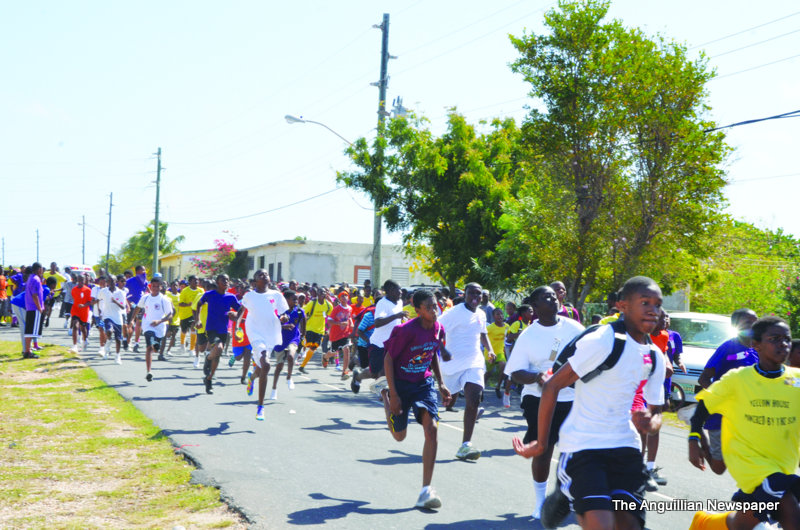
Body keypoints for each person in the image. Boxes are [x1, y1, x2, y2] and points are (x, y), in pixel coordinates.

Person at [513, 276, 666, 530]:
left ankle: (566, 494)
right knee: (601, 523)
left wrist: (651, 422)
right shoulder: (603, 341)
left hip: (626, 447)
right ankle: (564, 493)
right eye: (645, 302)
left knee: (628, 524)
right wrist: (541, 443)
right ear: (622, 306)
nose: (653, 310)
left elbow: (656, 411)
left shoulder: (655, 356)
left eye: (657, 304)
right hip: (584, 445)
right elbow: (552, 385)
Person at [688, 316, 800, 530]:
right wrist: (694, 439)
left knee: (746, 523)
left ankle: (705, 523)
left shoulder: (796, 380)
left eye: (786, 339)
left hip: (783, 463)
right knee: (793, 519)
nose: (783, 344)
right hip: (749, 463)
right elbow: (703, 407)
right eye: (775, 338)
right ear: (755, 344)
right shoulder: (738, 379)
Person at [506, 285, 584, 520]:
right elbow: (515, 373)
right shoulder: (528, 335)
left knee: (573, 451)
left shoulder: (574, 328)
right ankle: (541, 502)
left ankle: (565, 496)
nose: (552, 299)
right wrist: (536, 377)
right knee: (543, 448)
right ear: (535, 306)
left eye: (554, 295)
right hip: (537, 398)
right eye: (545, 297)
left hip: (572, 397)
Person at [381, 289, 451, 510]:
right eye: (429, 307)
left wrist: (440, 383)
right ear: (418, 310)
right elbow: (388, 360)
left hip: (423, 384)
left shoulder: (438, 328)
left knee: (431, 429)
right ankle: (384, 396)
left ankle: (425, 490)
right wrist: (393, 394)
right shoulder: (405, 331)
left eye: (435, 305)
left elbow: (433, 355)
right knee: (399, 437)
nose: (434, 309)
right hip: (401, 385)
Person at [696, 308, 759, 475]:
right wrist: (719, 398)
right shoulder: (728, 348)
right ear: (736, 325)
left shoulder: (760, 350)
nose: (753, 326)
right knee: (719, 468)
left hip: (747, 415)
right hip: (721, 415)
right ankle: (701, 438)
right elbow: (703, 378)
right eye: (747, 323)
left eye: (755, 322)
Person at [438, 282, 495, 461]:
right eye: (471, 294)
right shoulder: (453, 313)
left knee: (474, 398)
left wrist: (490, 350)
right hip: (452, 365)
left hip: (474, 362)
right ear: (464, 294)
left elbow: (483, 333)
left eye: (479, 295)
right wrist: (443, 350)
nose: (475, 298)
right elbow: (435, 330)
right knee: (447, 400)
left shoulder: (481, 313)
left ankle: (465, 445)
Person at [238, 270, 288, 419]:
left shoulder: (277, 295)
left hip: (271, 334)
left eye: (266, 274)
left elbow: (283, 313)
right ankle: (260, 406)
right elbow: (241, 311)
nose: (264, 276)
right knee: (266, 365)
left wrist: (284, 318)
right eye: (260, 275)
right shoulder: (250, 296)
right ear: (254, 281)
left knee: (261, 369)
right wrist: (236, 327)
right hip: (255, 332)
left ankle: (252, 378)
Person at [353, 280, 407, 392]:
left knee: (389, 370)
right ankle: (358, 376)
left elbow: (397, 320)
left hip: (392, 343)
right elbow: (377, 323)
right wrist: (396, 316)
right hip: (378, 344)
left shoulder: (400, 302)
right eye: (399, 289)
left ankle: (386, 394)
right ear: (391, 291)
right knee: (374, 373)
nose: (401, 292)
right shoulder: (382, 303)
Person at [196, 274, 242, 395]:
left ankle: (209, 379)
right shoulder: (209, 294)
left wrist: (236, 315)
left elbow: (240, 309)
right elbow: (199, 304)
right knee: (219, 347)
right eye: (223, 280)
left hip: (223, 329)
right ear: (217, 282)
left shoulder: (231, 297)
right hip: (211, 328)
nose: (226, 282)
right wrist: (198, 320)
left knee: (217, 355)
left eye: (227, 280)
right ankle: (207, 358)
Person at [130, 277, 174, 382]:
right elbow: (137, 308)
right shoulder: (145, 298)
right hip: (147, 325)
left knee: (155, 349)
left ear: (161, 287)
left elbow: (170, 315)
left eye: (157, 286)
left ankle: (156, 344)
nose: (155, 288)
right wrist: (131, 320)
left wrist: (159, 321)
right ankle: (149, 372)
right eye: (153, 286)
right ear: (150, 286)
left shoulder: (164, 300)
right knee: (149, 347)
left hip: (160, 327)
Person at [269, 289, 305, 400]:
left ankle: (289, 377)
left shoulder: (299, 311)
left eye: (297, 299)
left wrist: (302, 338)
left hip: (293, 338)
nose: (296, 301)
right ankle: (274, 388)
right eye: (293, 299)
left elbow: (303, 326)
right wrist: (284, 326)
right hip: (280, 340)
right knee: (279, 367)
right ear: (286, 300)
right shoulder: (279, 311)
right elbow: (272, 325)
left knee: (290, 356)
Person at [297, 287, 333, 373]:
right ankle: (300, 344)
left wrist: (328, 329)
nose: (322, 294)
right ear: (317, 294)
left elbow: (329, 317)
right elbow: (303, 312)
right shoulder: (312, 303)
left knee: (313, 348)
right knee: (308, 345)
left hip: (320, 330)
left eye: (324, 292)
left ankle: (302, 366)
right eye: (320, 292)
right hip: (309, 328)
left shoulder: (328, 305)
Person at [325, 291, 353, 380]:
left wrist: (351, 323)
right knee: (333, 352)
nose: (344, 297)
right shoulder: (336, 309)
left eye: (346, 295)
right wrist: (339, 323)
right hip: (335, 335)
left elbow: (349, 317)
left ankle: (344, 371)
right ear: (339, 299)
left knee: (346, 350)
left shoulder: (349, 308)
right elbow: (329, 321)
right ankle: (325, 357)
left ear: (348, 298)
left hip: (345, 334)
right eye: (342, 296)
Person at [98, 274, 126, 364]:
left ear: (116, 282)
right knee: (109, 331)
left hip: (117, 317)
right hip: (107, 316)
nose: (112, 283)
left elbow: (123, 307)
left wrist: (115, 301)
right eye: (110, 281)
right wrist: (99, 311)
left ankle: (117, 356)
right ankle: (109, 340)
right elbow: (98, 299)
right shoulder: (103, 291)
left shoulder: (121, 292)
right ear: (107, 282)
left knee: (118, 339)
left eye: (114, 281)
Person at [485, 308, 509, 405]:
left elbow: (508, 337)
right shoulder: (490, 328)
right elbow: (482, 337)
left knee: (503, 365)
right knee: (488, 373)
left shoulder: (507, 326)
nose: (500, 316)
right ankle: (480, 389)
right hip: (490, 352)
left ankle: (498, 386)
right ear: (493, 316)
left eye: (501, 314)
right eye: (497, 314)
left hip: (500, 352)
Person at [23, 263, 45, 359]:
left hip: (30, 307)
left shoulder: (31, 278)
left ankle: (27, 350)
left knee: (29, 331)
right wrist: (40, 308)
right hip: (34, 308)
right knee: (32, 332)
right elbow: (35, 295)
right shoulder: (36, 279)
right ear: (39, 269)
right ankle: (28, 351)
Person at [125, 265, 148, 353]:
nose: (145, 272)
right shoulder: (130, 281)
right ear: (138, 271)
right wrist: (128, 302)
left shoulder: (145, 282)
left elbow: (145, 291)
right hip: (131, 306)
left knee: (139, 324)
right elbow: (123, 291)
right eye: (143, 270)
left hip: (141, 306)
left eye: (145, 270)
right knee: (130, 325)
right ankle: (127, 341)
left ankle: (136, 344)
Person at [178, 275, 204, 352]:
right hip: (185, 314)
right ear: (189, 282)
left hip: (196, 314)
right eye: (194, 280)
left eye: (197, 280)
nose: (196, 282)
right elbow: (180, 303)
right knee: (184, 331)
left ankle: (191, 349)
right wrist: (188, 304)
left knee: (193, 329)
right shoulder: (185, 291)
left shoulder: (201, 290)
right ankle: (182, 344)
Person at [69, 275, 92, 353]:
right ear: (77, 280)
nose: (81, 281)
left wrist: (84, 305)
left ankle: (85, 340)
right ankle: (75, 346)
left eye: (82, 279)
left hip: (84, 311)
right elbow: (74, 298)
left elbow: (90, 301)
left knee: (83, 328)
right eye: (79, 279)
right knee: (75, 326)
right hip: (75, 310)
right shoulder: (74, 289)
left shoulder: (88, 290)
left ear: (85, 280)